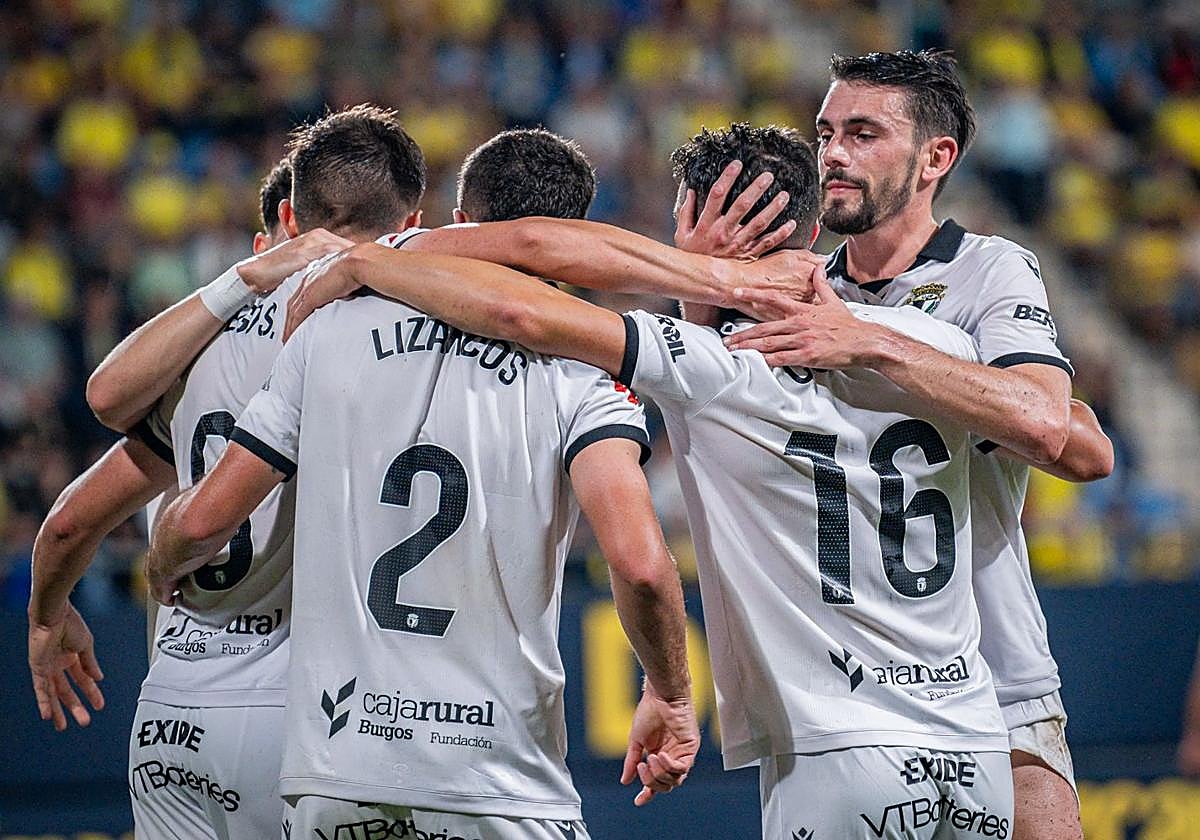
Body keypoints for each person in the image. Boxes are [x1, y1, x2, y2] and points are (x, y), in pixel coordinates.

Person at [282, 123, 1019, 838]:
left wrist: (370, 261)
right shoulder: (936, 344)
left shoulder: (714, 369)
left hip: (839, 753)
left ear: (700, 224)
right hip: (975, 744)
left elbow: (526, 300)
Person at [145, 127, 699, 839]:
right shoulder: (587, 372)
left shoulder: (326, 329)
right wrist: (671, 694)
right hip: (499, 784)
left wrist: (162, 561)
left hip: (338, 775)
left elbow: (201, 523)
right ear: (574, 238)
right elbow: (642, 567)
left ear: (460, 225)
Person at [722, 51, 1114, 840]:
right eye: (827, 132)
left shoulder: (986, 271)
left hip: (1000, 684)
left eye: (864, 134)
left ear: (936, 158)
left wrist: (868, 341)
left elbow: (1066, 441)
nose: (832, 154)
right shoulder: (795, 293)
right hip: (845, 695)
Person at [121, 105, 424, 839]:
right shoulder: (413, 323)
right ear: (413, 224)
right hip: (324, 706)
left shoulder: (204, 331)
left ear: (287, 216)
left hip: (173, 697)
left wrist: (62, 602)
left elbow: (76, 504)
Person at [26, 157, 297, 735]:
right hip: (309, 710)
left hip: (173, 710)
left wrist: (46, 617)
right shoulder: (364, 356)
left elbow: (70, 522)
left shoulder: (191, 364)